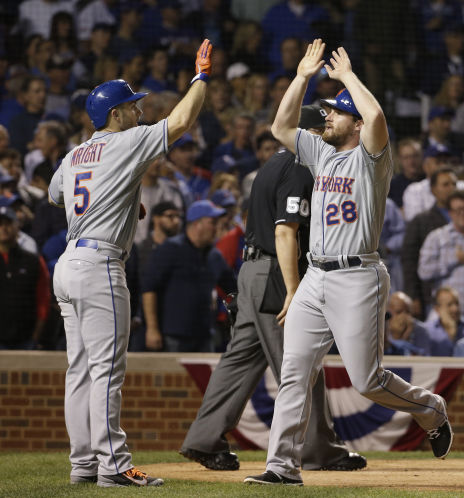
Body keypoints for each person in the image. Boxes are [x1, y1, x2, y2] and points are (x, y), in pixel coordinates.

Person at [245, 40, 452, 487]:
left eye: (336, 113)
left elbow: (376, 118)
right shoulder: (321, 153)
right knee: (294, 371)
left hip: (359, 275)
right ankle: (281, 467)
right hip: (316, 275)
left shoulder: (371, 158)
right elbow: (280, 126)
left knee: (366, 380)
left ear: (354, 122)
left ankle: (429, 408)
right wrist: (302, 77)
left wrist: (349, 79)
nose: (327, 117)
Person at [48, 39, 213, 487]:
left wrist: (116, 198)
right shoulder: (127, 142)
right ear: (115, 115)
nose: (139, 111)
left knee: (79, 370)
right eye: (132, 106)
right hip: (100, 264)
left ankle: (83, 464)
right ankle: (114, 466)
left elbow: (55, 193)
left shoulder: (74, 153)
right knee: (106, 370)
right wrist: (200, 77)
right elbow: (181, 120)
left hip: (69, 262)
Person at [180, 104, 366, 472]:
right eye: (323, 131)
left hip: (253, 270)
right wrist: (293, 288)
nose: (327, 137)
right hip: (277, 273)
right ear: (313, 134)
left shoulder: (271, 165)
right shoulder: (299, 166)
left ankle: (205, 438)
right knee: (301, 360)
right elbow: (285, 231)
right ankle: (318, 450)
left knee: (240, 360)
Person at [141, 200, 236, 353]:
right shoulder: (170, 249)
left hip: (205, 336)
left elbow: (233, 289)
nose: (216, 228)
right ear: (196, 224)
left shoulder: (214, 256)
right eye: (212, 222)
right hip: (174, 336)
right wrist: (152, 329)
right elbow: (149, 289)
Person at [402, 167, 457, 319]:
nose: (451, 188)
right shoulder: (421, 221)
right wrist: (413, 296)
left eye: (454, 184)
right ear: (433, 190)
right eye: (445, 184)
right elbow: (409, 261)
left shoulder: (461, 217)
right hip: (432, 296)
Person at [0, 206, 50, 350]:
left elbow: (43, 300)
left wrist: (35, 336)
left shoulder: (33, 261)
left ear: (17, 226)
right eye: (0, 224)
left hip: (25, 339)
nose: (4, 228)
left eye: (8, 223)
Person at [418, 190, 464, 318]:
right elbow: (424, 271)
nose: (462, 214)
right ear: (450, 213)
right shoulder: (437, 237)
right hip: (445, 311)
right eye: (458, 210)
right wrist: (454, 259)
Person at [426, 287, 464, 356]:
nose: (455, 309)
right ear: (437, 309)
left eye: (457, 303)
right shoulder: (427, 330)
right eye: (449, 305)